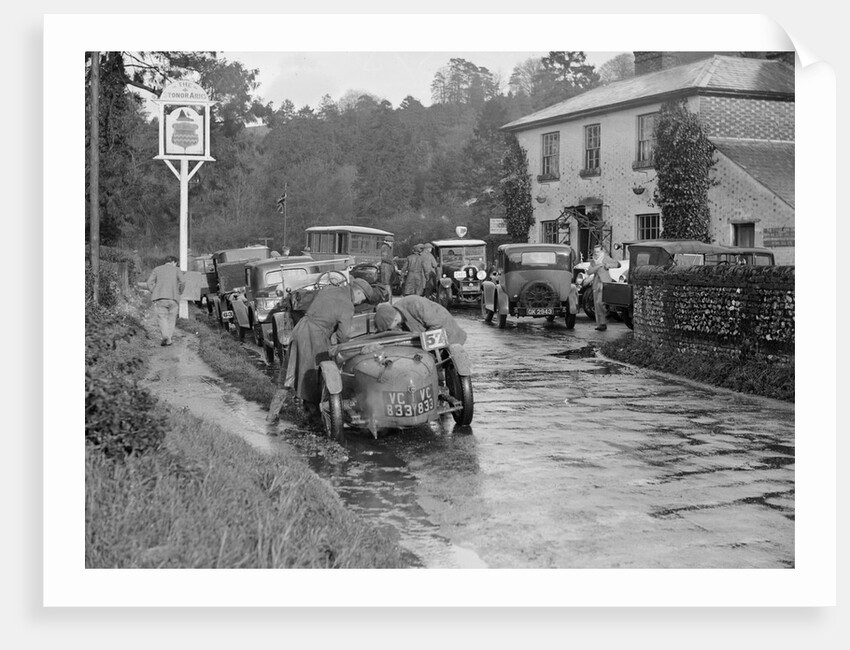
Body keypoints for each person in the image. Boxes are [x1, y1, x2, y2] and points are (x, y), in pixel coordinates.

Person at [267, 280, 369, 422]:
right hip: (314, 338)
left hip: (299, 330)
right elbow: (343, 336)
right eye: (362, 298)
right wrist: (347, 351)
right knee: (315, 376)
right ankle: (313, 418)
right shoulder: (347, 305)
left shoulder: (329, 289)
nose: (359, 302)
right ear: (358, 292)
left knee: (287, 375)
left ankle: (272, 414)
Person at [373, 295, 467, 346]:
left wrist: (421, 342)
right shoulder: (397, 311)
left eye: (388, 328)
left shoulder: (415, 305)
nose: (389, 330)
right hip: (437, 335)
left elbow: (438, 325)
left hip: (449, 335)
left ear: (394, 320)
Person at [146, 255, 185, 346]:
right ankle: (169, 339)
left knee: (162, 318)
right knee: (171, 319)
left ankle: (165, 336)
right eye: (176, 263)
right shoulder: (177, 270)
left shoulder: (157, 269)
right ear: (173, 262)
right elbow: (183, 282)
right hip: (174, 298)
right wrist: (180, 292)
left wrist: (154, 291)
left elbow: (149, 283)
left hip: (160, 298)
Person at [585, 244, 621, 331]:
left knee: (599, 303)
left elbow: (618, 264)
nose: (596, 253)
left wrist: (609, 265)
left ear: (602, 251)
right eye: (595, 252)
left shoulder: (606, 258)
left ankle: (604, 321)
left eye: (598, 251)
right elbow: (589, 271)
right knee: (596, 305)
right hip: (596, 283)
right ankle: (600, 324)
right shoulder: (593, 261)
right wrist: (597, 266)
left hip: (604, 283)